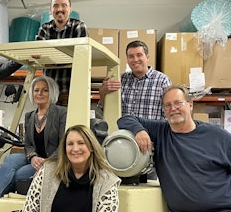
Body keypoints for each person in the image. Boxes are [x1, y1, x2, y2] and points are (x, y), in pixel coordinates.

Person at [117, 85, 231, 212]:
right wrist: (139, 131)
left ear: (190, 105)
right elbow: (125, 119)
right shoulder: (160, 132)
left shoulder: (218, 137)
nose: (173, 109)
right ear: (164, 111)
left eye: (178, 103)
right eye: (167, 105)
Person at [0, 76, 67, 212]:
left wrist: (47, 162)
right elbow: (28, 144)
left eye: (45, 90)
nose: (40, 94)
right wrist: (32, 157)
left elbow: (63, 144)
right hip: (35, 159)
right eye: (36, 90)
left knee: (15, 175)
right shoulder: (30, 116)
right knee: (10, 159)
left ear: (52, 93)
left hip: (53, 161)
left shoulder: (61, 113)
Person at [98, 40, 171, 181]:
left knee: (149, 191)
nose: (135, 59)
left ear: (147, 57)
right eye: (131, 56)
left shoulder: (162, 81)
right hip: (122, 149)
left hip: (150, 152)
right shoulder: (120, 80)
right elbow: (105, 110)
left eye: (139, 55)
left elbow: (167, 119)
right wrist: (103, 92)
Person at [22, 124, 121, 212]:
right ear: (64, 149)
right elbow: (29, 209)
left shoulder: (107, 180)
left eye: (81, 143)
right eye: (70, 144)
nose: (75, 149)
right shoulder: (47, 171)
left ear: (91, 147)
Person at [35, 0, 88, 106]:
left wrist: (49, 56)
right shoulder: (44, 28)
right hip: (48, 91)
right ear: (51, 9)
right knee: (48, 123)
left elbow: (80, 57)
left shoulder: (79, 26)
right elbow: (39, 56)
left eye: (64, 5)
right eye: (55, 6)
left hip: (71, 90)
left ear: (69, 8)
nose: (59, 9)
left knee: (68, 123)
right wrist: (64, 55)